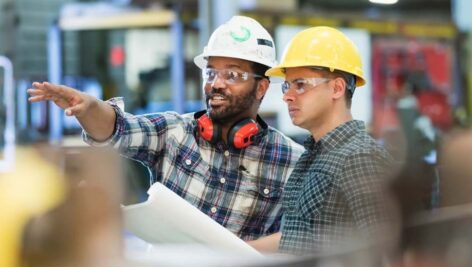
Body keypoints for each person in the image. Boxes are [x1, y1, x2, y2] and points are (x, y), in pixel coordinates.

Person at [27, 16, 304, 241]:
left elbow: (298, 239)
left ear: (262, 86)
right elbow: (117, 128)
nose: (216, 83)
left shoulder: (291, 160)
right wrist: (88, 107)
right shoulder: (174, 132)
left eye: (232, 74)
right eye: (211, 72)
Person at [248, 26, 399, 255]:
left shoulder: (360, 159)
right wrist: (233, 250)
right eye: (288, 85)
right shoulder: (312, 156)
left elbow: (389, 251)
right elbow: (297, 236)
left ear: (337, 88)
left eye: (300, 84)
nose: (287, 95)